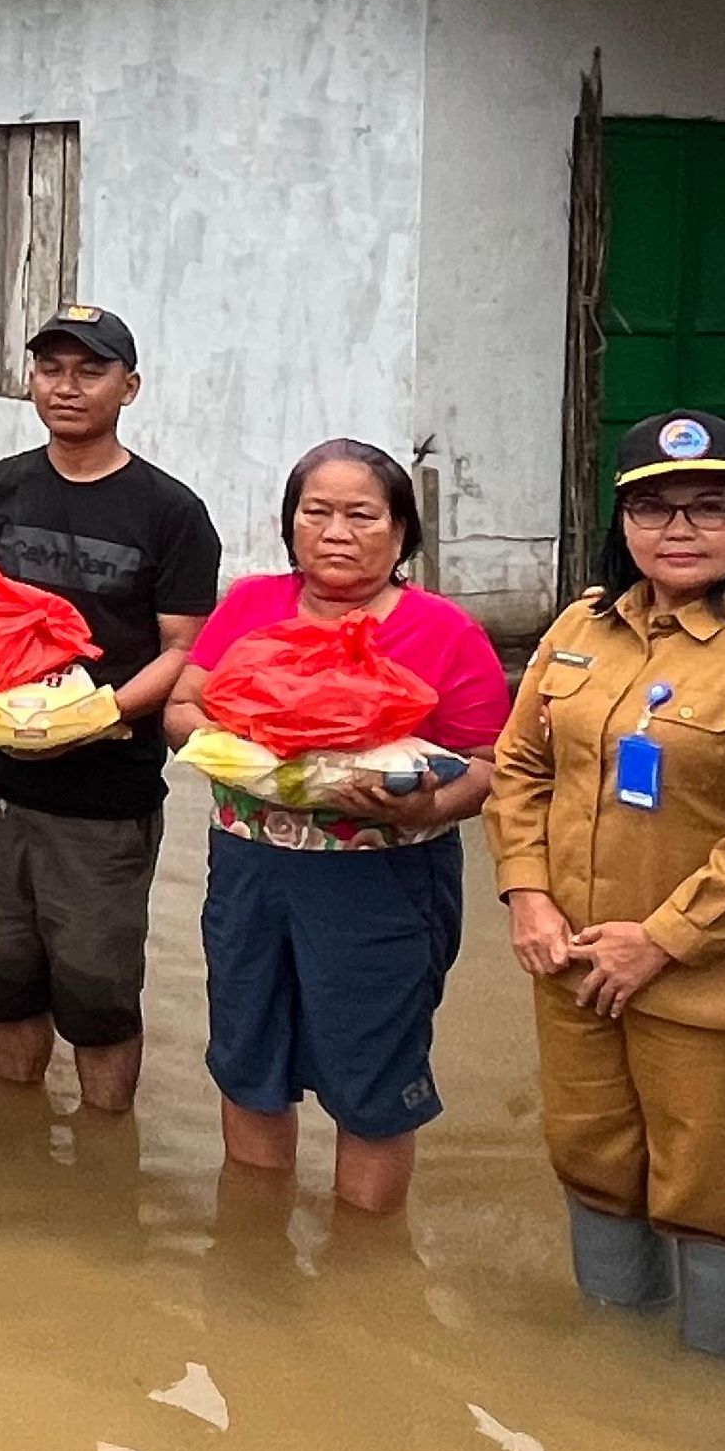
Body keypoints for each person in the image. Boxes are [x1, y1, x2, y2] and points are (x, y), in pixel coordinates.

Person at [486, 411, 725, 1357]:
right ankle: (617, 1383)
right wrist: (529, 895)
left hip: (714, 981)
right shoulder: (579, 627)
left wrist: (662, 940)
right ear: (623, 524)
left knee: (713, 1196)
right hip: (574, 961)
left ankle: (714, 1407)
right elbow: (520, 770)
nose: (679, 529)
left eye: (708, 507)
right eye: (654, 509)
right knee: (591, 1160)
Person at [162, 440, 507, 1214]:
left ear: (401, 531)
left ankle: (363, 1268)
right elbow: (184, 708)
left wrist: (425, 805)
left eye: (362, 514)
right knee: (249, 1061)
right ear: (290, 525)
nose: (337, 531)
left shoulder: (444, 633)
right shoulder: (250, 606)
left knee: (373, 1080)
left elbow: (490, 765)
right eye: (316, 512)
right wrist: (250, 758)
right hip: (251, 880)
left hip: (380, 889)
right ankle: (253, 1253)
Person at [0, 305, 222, 1112]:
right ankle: (17, 1143)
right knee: (4, 980)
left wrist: (92, 717)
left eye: (90, 371)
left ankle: (107, 1153)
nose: (66, 387)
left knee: (99, 995)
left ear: (128, 387)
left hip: (107, 796)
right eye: (50, 369)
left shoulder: (171, 511)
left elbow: (183, 650)